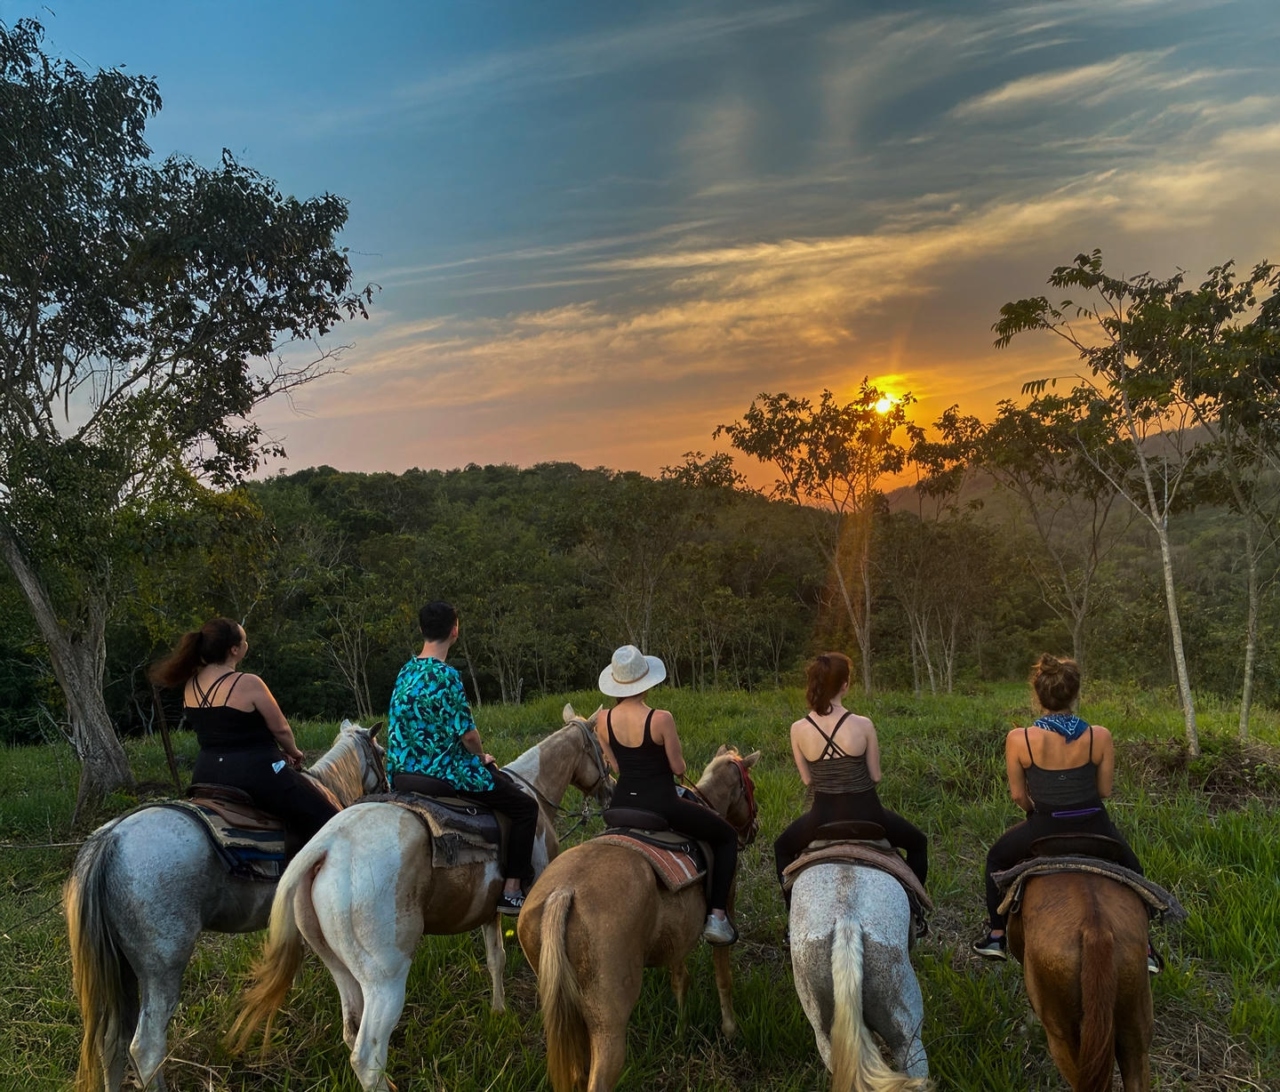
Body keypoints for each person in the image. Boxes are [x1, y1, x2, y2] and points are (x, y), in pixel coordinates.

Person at [973, 654, 1159, 974]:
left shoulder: (1020, 738)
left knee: (995, 859)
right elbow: (1104, 791)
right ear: (1075, 693)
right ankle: (1146, 948)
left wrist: (1035, 812)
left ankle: (996, 936)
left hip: (1045, 827)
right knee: (1134, 871)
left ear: (1038, 695)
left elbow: (1018, 795)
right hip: (1095, 826)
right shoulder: (1099, 735)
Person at [386, 601, 538, 915]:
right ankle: (511, 890)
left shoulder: (405, 671)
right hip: (442, 773)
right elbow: (468, 736)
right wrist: (481, 756)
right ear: (455, 630)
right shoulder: (447, 676)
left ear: (421, 629)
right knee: (525, 807)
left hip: (401, 773)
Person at [150, 617, 339, 848]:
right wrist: (294, 752)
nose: (247, 644)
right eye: (244, 640)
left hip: (205, 774)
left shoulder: (191, 684)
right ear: (234, 650)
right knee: (331, 820)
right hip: (256, 774)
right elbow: (281, 728)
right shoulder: (249, 682)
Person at [596, 644, 740, 946]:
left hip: (620, 805)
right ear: (645, 682)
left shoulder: (603, 720)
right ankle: (717, 917)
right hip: (661, 805)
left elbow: (616, 766)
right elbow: (678, 768)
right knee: (727, 836)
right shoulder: (661, 718)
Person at [773, 652, 928, 911]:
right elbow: (876, 776)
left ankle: (791, 913)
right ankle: (914, 907)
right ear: (845, 685)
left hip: (821, 817)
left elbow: (807, 779)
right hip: (869, 813)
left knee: (781, 848)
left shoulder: (798, 728)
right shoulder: (863, 724)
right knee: (918, 843)